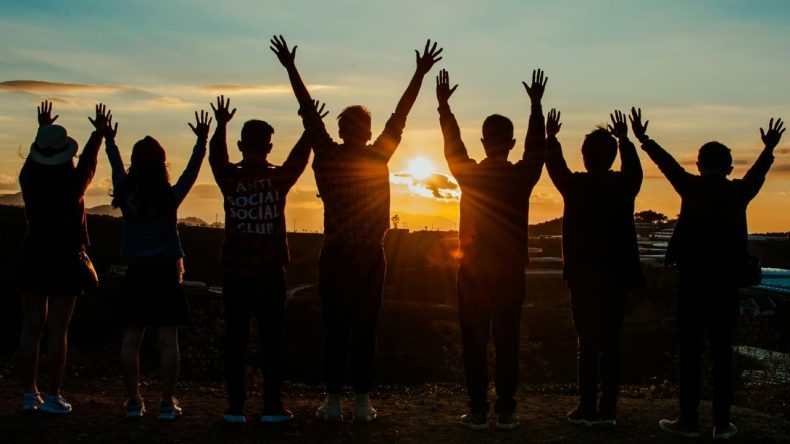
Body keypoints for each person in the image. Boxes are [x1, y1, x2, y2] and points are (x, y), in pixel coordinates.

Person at [270, 35, 442, 422]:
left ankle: (332, 400)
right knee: (366, 328)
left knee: (334, 327)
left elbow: (307, 112)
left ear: (342, 129)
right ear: (366, 131)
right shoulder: (378, 155)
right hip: (368, 255)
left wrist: (291, 68)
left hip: (336, 253)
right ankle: (362, 401)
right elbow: (401, 114)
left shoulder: (327, 154)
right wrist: (418, 73)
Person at [634, 110, 785, 440]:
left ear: (699, 164)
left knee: (689, 351)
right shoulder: (738, 193)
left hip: (692, 282)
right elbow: (757, 174)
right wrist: (769, 148)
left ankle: (688, 420)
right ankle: (722, 422)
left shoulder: (691, 187)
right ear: (729, 167)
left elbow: (668, 165)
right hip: (727, 284)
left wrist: (645, 140)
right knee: (722, 350)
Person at [436, 68, 546, 430]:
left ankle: (479, 410)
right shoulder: (521, 176)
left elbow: (454, 147)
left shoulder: (470, 174)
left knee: (474, 342)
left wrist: (444, 109)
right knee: (507, 340)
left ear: (483, 142)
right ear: (510, 142)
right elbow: (537, 151)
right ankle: (507, 409)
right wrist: (536, 107)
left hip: (473, 271)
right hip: (511, 271)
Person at [208, 96, 322, 424]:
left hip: (235, 271)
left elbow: (217, 157)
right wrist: (309, 130)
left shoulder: (230, 180)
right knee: (273, 340)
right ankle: (272, 406)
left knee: (236, 339)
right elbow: (299, 159)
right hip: (271, 272)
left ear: (241, 145)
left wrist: (220, 125)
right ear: (270, 146)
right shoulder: (278, 179)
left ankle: (235, 408)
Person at [106, 110, 211, 420]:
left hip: (136, 273)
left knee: (131, 339)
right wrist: (201, 142)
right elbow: (191, 172)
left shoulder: (126, 195)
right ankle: (166, 402)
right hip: (166, 273)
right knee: (168, 341)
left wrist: (109, 140)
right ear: (163, 164)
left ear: (135, 163)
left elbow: (115, 167)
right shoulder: (169, 197)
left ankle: (133, 401)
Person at [544, 108, 644, 428]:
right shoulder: (625, 185)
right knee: (611, 342)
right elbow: (634, 169)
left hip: (583, 277)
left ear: (585, 157)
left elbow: (554, 166)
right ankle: (608, 409)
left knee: (586, 343)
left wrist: (551, 138)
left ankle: (586, 407)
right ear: (613, 156)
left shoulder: (575, 186)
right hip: (617, 275)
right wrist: (625, 139)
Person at [18, 101, 109, 414]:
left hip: (33, 252)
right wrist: (99, 133)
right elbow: (89, 163)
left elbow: (39, 158)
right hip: (65, 257)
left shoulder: (28, 178)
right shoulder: (73, 184)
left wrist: (42, 129)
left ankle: (29, 393)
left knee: (31, 328)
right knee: (58, 329)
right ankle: (53, 394)